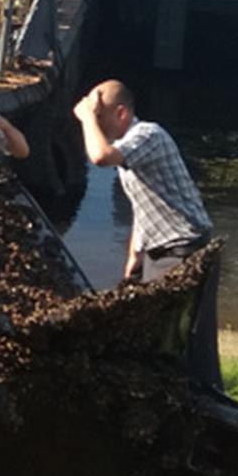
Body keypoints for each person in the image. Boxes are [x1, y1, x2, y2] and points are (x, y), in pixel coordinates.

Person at [72, 80, 221, 387]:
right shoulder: (131, 148)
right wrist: (135, 254)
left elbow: (100, 157)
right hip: (160, 248)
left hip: (184, 248)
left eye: (101, 118)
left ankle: (206, 405)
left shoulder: (148, 135)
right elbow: (146, 201)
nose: (96, 126)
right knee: (157, 337)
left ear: (122, 114)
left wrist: (86, 117)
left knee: (185, 339)